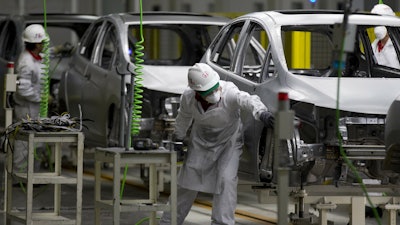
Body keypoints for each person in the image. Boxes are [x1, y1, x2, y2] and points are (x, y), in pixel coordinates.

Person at [159, 63, 274, 225]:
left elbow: (247, 100)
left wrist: (262, 113)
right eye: (209, 91)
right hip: (200, 143)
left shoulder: (229, 92)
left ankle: (222, 222)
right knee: (185, 183)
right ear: (197, 92)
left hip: (229, 144)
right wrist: (178, 137)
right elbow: (183, 118)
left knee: (226, 181)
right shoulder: (189, 97)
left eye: (215, 88)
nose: (215, 93)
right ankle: (168, 222)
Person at [12, 24, 47, 176]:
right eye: (43, 43)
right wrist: (42, 97)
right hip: (26, 108)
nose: (44, 45)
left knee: (38, 141)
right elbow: (23, 89)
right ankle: (19, 174)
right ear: (36, 44)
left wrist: (59, 50)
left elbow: (47, 57)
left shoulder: (37, 58)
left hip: (36, 107)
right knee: (24, 142)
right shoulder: (26, 62)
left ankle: (34, 175)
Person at [370, 3, 400, 69]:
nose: (378, 27)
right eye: (376, 23)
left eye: (381, 23)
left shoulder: (397, 44)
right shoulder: (373, 45)